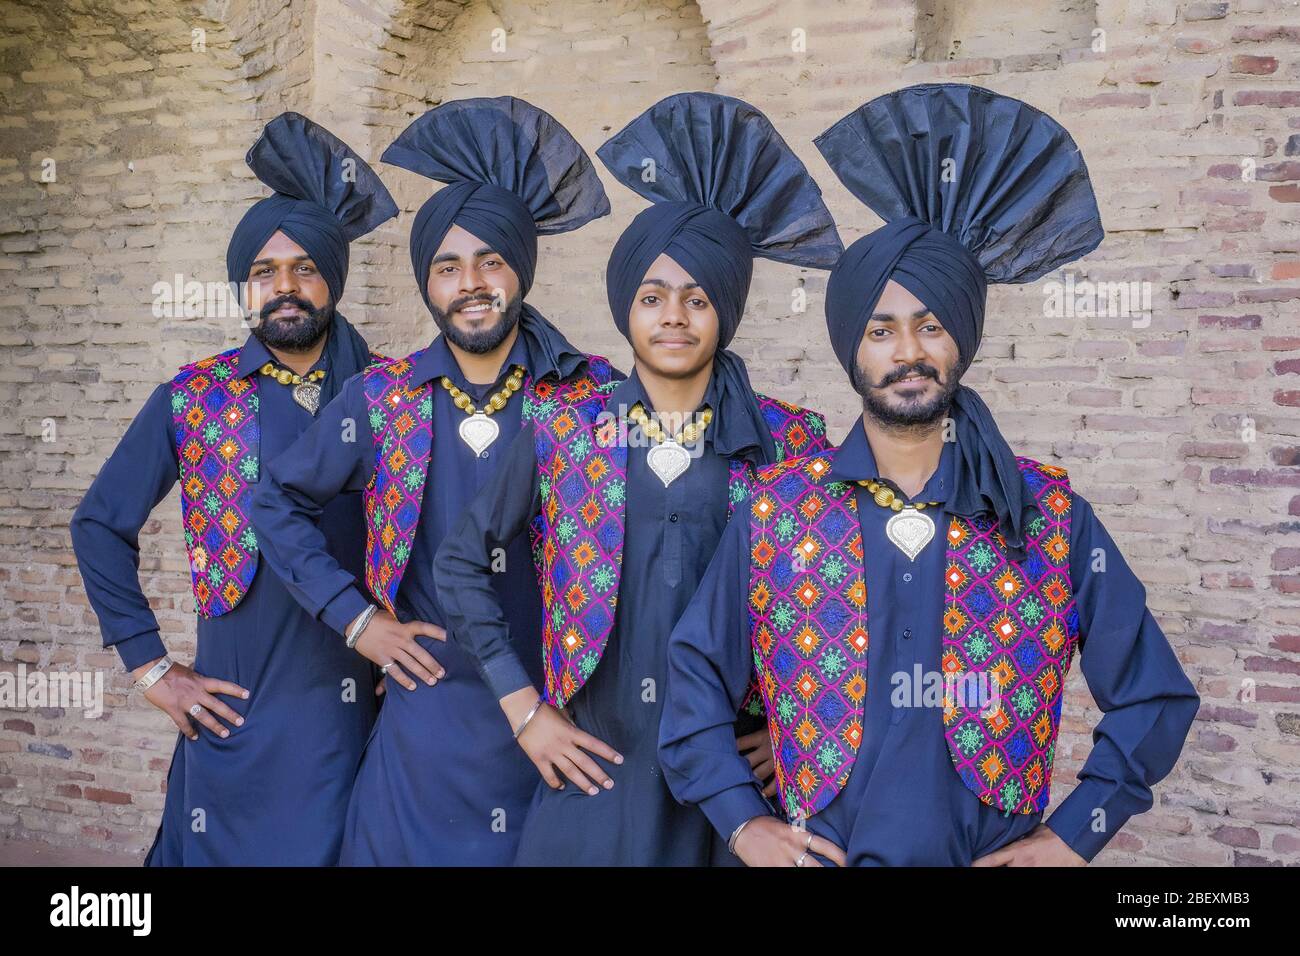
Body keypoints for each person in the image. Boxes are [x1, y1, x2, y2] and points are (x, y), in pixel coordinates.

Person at [658, 83, 1200, 867]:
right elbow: (694, 675)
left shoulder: (1047, 515)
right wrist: (742, 821)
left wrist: (1075, 835)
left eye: (930, 324)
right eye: (881, 329)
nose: (906, 351)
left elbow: (1154, 694)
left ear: (960, 340)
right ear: (853, 349)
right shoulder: (779, 513)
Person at [435, 92, 843, 865]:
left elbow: (832, 605)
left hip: (732, 790)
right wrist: (525, 712)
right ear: (627, 309)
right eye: (653, 297)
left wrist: (788, 730)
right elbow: (461, 563)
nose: (675, 317)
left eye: (698, 298)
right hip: (597, 766)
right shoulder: (565, 432)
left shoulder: (790, 443)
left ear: (726, 309)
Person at [249, 97, 615, 865]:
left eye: (491, 261)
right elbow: (274, 501)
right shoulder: (382, 401)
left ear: (521, 269)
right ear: (427, 282)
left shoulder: (592, 399)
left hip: (560, 720)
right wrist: (357, 623)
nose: (470, 283)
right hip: (425, 728)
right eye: (448, 266)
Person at [71, 113, 397, 865]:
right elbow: (99, 523)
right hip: (235, 712)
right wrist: (152, 669)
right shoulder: (195, 396)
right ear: (244, 288)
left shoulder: (393, 395)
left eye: (304, 267)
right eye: (263, 272)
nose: (285, 287)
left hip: (355, 718)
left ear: (332, 281)